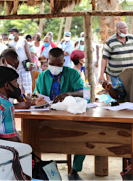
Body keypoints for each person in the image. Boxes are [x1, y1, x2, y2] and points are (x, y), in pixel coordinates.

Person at [33, 48, 84, 180]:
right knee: (32, 134)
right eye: (52, 64)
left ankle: (74, 171)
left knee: (84, 136)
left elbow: (83, 93)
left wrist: (68, 94)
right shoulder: (42, 76)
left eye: (59, 64)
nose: (56, 67)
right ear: (47, 61)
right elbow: (36, 95)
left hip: (71, 117)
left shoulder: (72, 74)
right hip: (47, 118)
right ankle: (37, 169)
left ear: (64, 62)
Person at [0, 66, 21, 142]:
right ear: (7, 85)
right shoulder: (6, 106)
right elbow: (10, 139)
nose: (18, 85)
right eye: (15, 82)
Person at [99, 21, 133, 87]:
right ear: (116, 30)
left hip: (131, 76)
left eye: (126, 28)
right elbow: (104, 58)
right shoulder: (110, 41)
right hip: (116, 76)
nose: (125, 30)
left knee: (130, 95)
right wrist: (101, 75)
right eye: (122, 28)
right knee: (117, 95)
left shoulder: (132, 39)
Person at [8, 28, 33, 96]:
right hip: (15, 67)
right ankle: (20, 100)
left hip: (24, 66)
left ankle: (29, 99)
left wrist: (31, 63)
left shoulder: (23, 41)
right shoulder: (10, 43)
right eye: (10, 33)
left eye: (12, 33)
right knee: (17, 84)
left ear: (16, 33)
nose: (10, 34)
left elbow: (28, 52)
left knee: (27, 83)